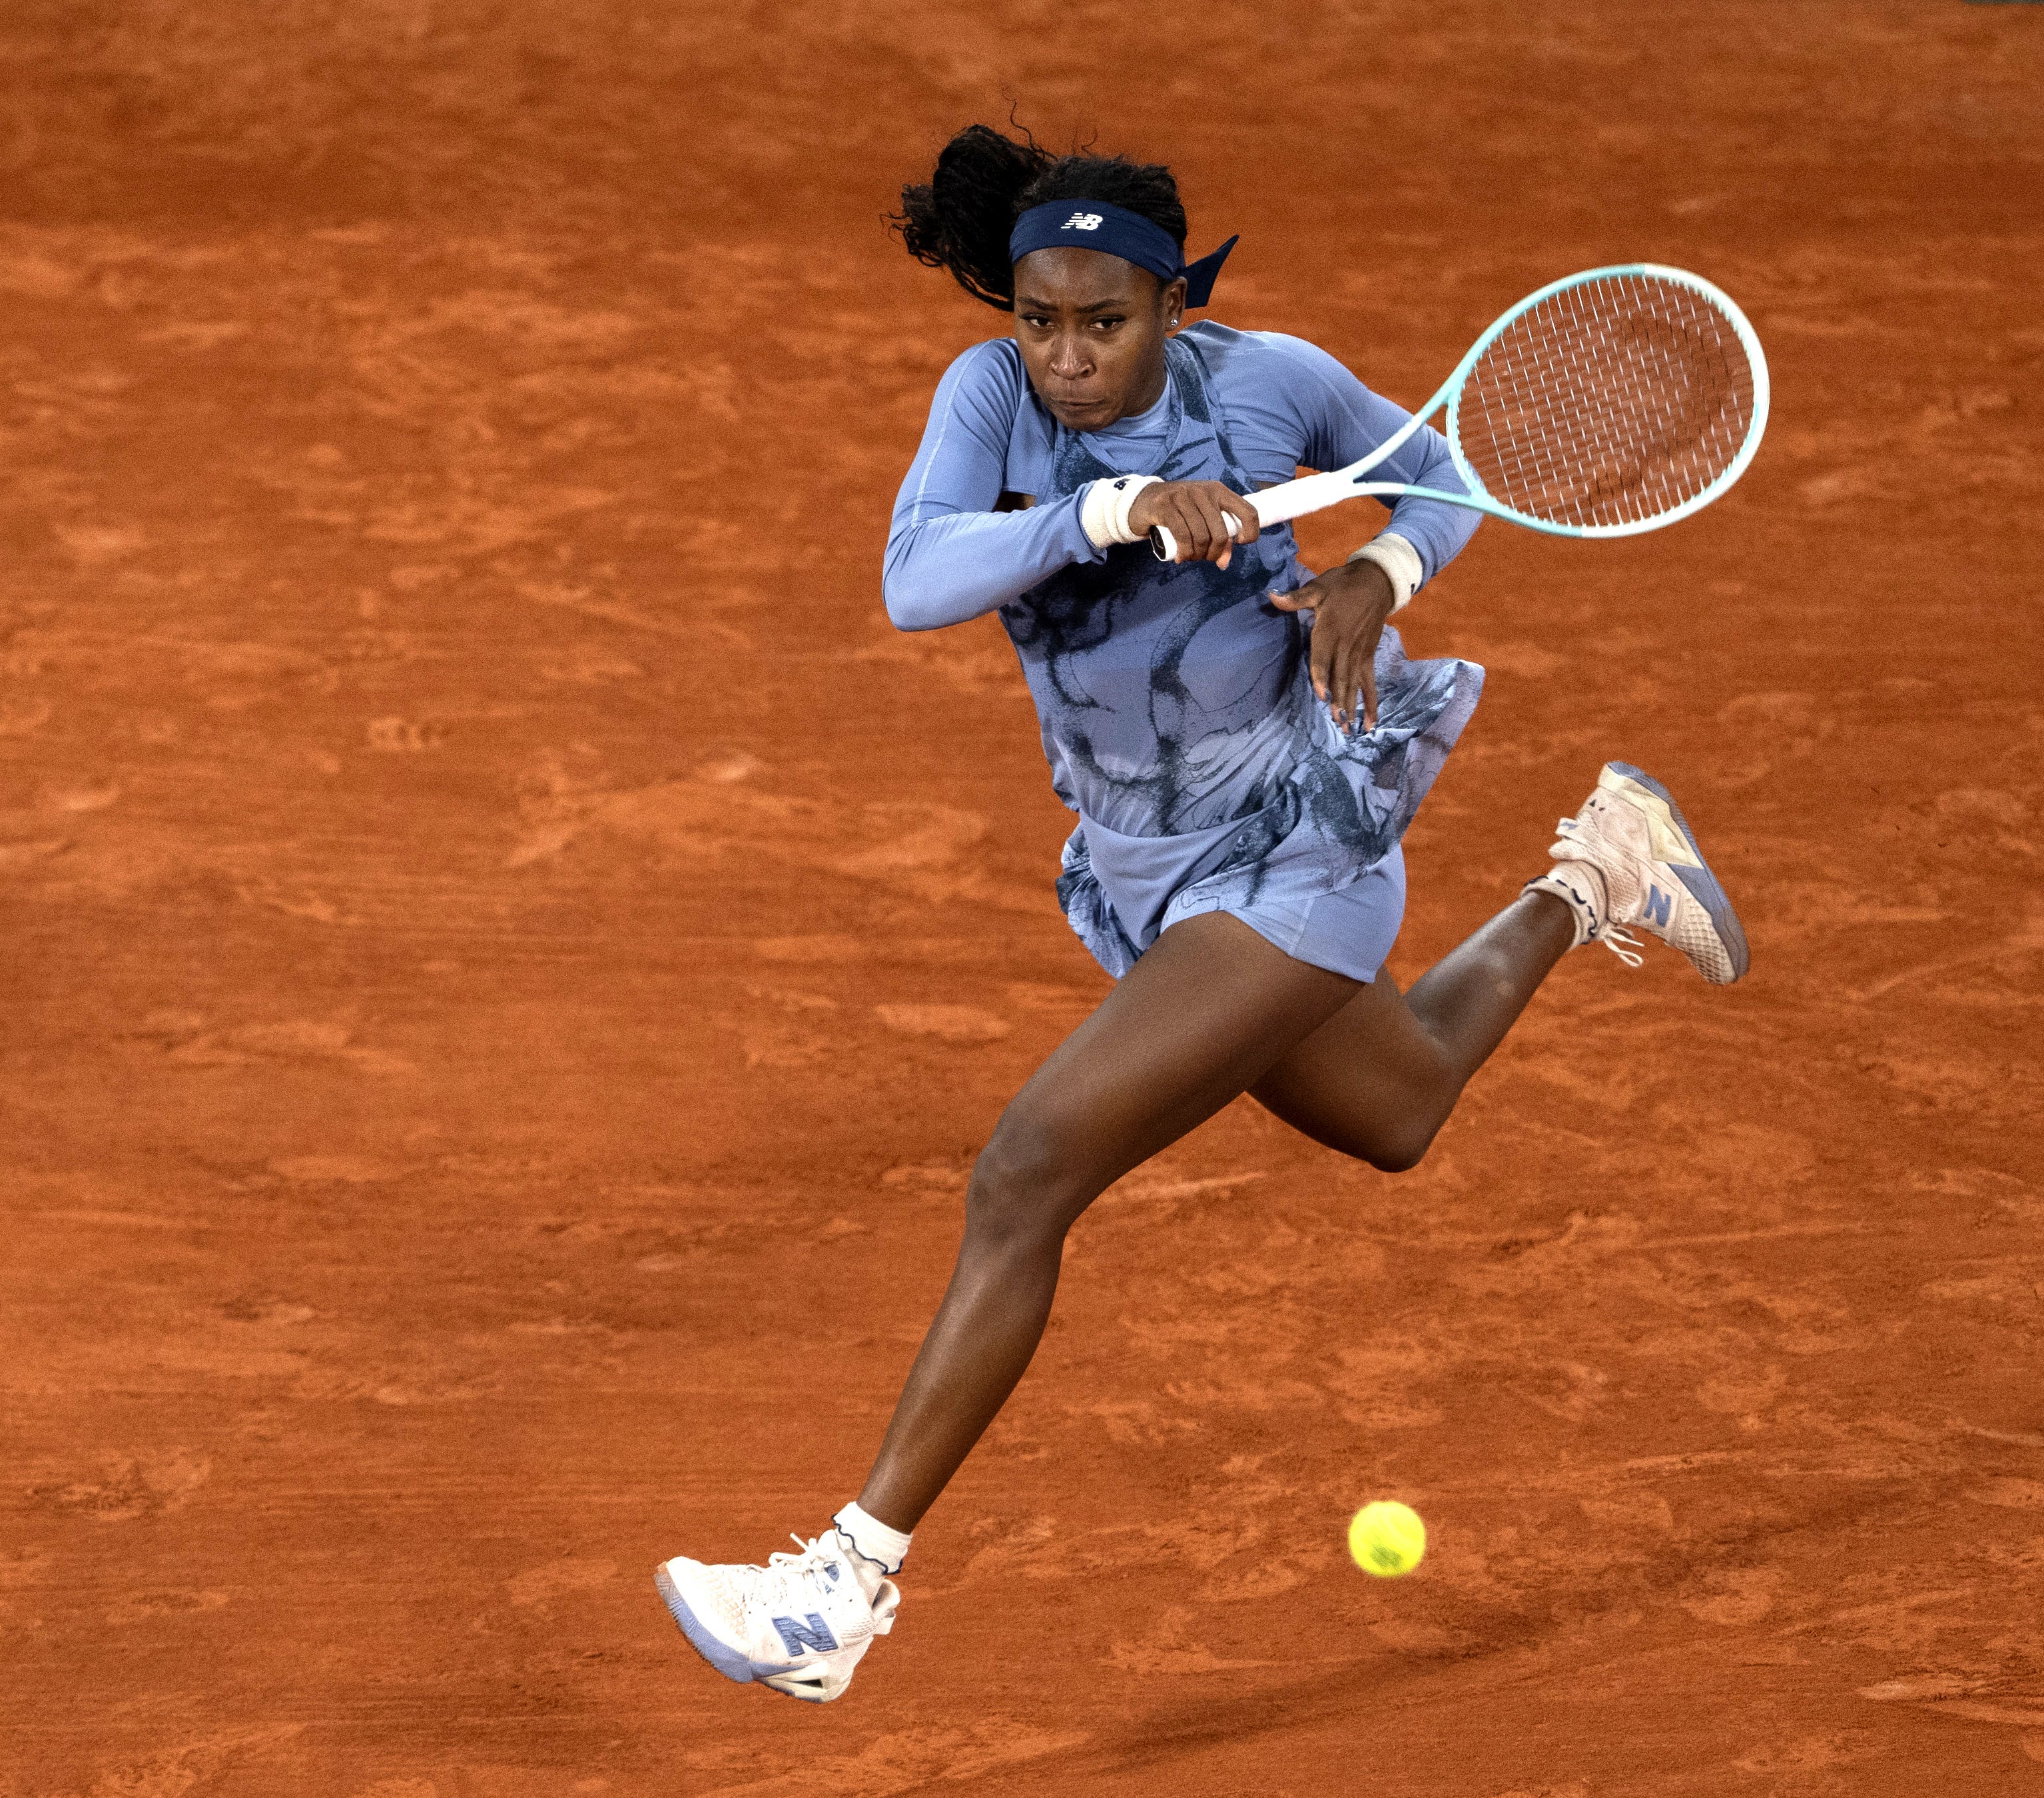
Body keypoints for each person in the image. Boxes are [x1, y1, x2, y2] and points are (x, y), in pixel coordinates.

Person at [655, 125, 1748, 1703]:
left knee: (1028, 1170)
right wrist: (1108, 514)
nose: (1068, 357)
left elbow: (1445, 475)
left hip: (1296, 842)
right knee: (1398, 1109)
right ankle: (1602, 870)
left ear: (1176, 306)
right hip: (1143, 863)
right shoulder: (989, 400)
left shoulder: (1272, 385)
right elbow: (915, 577)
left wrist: (1382, 573)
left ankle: (841, 1592)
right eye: (1042, 321)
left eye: (1106, 323)